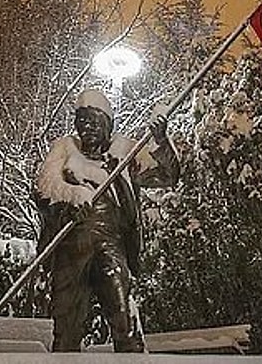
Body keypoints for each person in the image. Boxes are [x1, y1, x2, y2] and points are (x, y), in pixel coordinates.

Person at [35, 89, 180, 352]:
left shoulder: (124, 150)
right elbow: (45, 188)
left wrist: (160, 140)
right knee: (66, 326)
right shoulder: (65, 148)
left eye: (94, 121)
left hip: (111, 246)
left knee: (122, 318)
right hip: (71, 247)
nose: (87, 128)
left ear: (107, 124)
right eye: (82, 121)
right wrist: (71, 197)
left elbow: (167, 176)